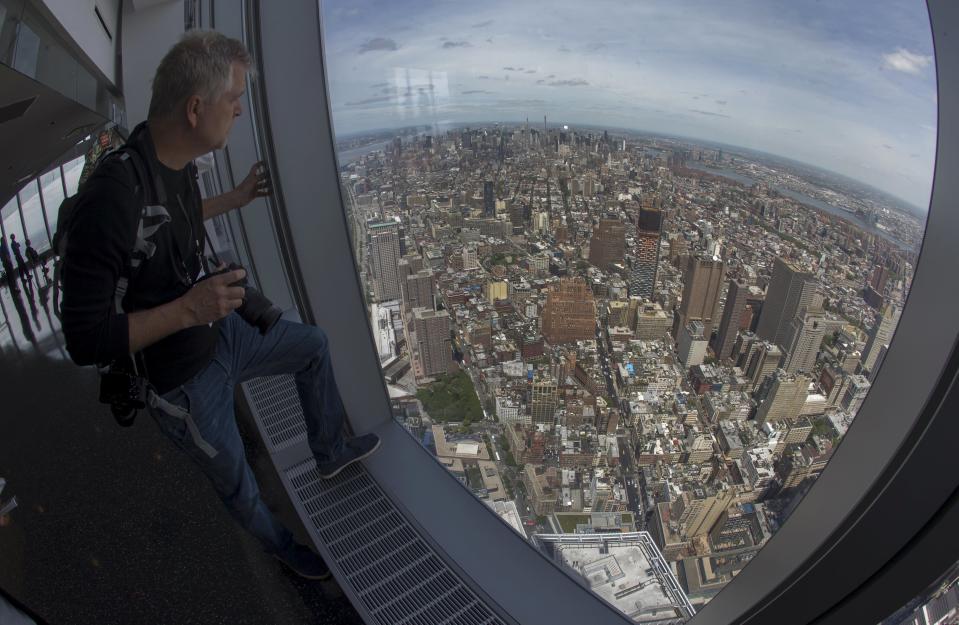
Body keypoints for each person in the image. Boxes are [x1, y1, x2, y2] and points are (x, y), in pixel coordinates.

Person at [60, 31, 380, 581]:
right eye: (232, 99)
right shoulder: (112, 197)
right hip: (178, 381)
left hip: (216, 330)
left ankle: (328, 451)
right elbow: (83, 339)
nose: (237, 109)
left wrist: (234, 199)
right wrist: (189, 309)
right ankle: (282, 546)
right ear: (194, 108)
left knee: (313, 346)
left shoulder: (173, 163)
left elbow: (172, 216)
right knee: (239, 483)